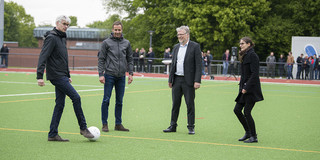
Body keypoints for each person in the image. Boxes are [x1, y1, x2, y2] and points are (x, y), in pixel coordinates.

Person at [36, 15, 93, 142]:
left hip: (62, 75)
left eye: (67, 24)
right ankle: (83, 128)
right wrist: (39, 76)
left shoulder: (62, 38)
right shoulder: (51, 38)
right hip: (56, 76)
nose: (66, 26)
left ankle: (52, 134)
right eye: (64, 23)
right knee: (76, 97)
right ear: (57, 23)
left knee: (59, 105)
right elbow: (43, 56)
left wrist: (67, 75)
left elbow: (63, 58)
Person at [163, 25, 202, 135]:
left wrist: (197, 80)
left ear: (187, 35)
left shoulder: (195, 46)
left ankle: (191, 126)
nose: (179, 36)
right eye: (178, 34)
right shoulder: (176, 47)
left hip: (188, 80)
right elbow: (173, 64)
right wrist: (170, 79)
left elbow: (199, 65)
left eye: (181, 34)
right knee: (175, 104)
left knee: (190, 104)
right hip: (176, 79)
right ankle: (173, 125)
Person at [98, 21, 133, 132]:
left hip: (121, 77)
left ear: (122, 30)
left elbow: (130, 59)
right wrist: (100, 74)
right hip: (109, 75)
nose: (117, 32)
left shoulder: (126, 43)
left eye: (119, 30)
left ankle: (118, 124)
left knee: (119, 101)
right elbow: (101, 59)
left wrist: (131, 73)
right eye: (115, 30)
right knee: (106, 100)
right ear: (112, 30)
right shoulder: (106, 43)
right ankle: (104, 124)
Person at [234, 37, 264, 143]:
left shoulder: (253, 55)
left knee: (247, 112)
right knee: (237, 110)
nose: (240, 45)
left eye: (242, 43)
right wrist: (242, 86)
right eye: (240, 43)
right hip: (244, 88)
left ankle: (254, 136)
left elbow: (254, 74)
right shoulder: (245, 54)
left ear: (249, 44)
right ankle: (248, 132)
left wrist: (246, 87)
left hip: (251, 89)